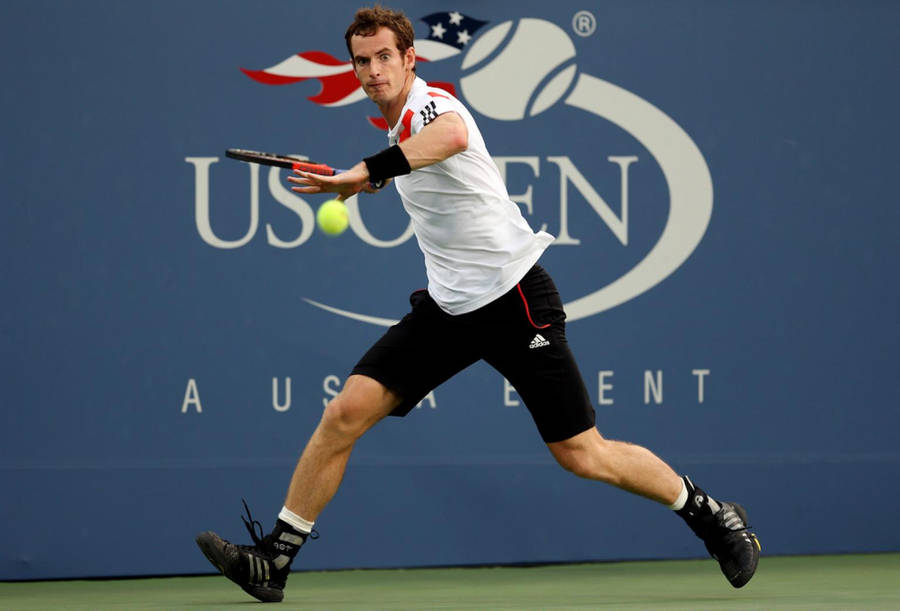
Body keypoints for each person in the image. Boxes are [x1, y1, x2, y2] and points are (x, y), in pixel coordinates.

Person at [196, 6, 760, 603]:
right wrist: (370, 178)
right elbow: (425, 163)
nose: (373, 70)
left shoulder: (435, 105)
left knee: (582, 453)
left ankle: (712, 515)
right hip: (448, 309)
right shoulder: (397, 130)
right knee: (344, 413)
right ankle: (275, 560)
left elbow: (452, 138)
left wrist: (366, 170)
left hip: (514, 297)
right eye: (362, 61)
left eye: (385, 57)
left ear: (410, 59)